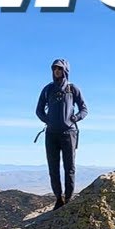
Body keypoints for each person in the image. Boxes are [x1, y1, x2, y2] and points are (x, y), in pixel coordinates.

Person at [35, 58, 87, 209]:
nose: (56, 71)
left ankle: (69, 198)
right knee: (53, 168)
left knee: (69, 168)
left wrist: (75, 118)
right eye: (54, 69)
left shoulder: (72, 89)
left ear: (65, 71)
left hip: (69, 133)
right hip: (51, 134)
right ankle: (59, 198)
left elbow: (84, 109)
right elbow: (38, 110)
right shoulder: (47, 89)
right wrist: (48, 121)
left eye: (59, 68)